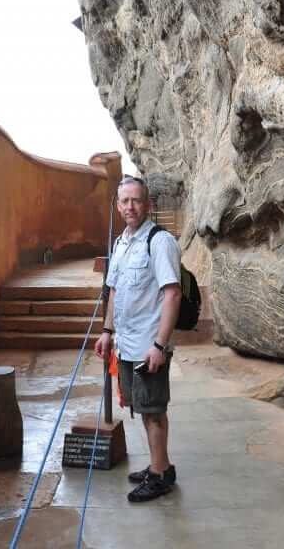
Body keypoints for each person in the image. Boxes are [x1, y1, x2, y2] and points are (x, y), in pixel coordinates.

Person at [95, 176, 182, 502]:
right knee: (143, 408)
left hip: (149, 346)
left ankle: (160, 477)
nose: (130, 206)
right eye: (124, 201)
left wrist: (160, 344)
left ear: (148, 204)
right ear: (118, 206)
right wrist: (107, 331)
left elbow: (172, 294)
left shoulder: (159, 242)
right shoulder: (122, 243)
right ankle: (160, 466)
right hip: (128, 345)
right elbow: (115, 291)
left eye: (136, 200)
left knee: (154, 411)